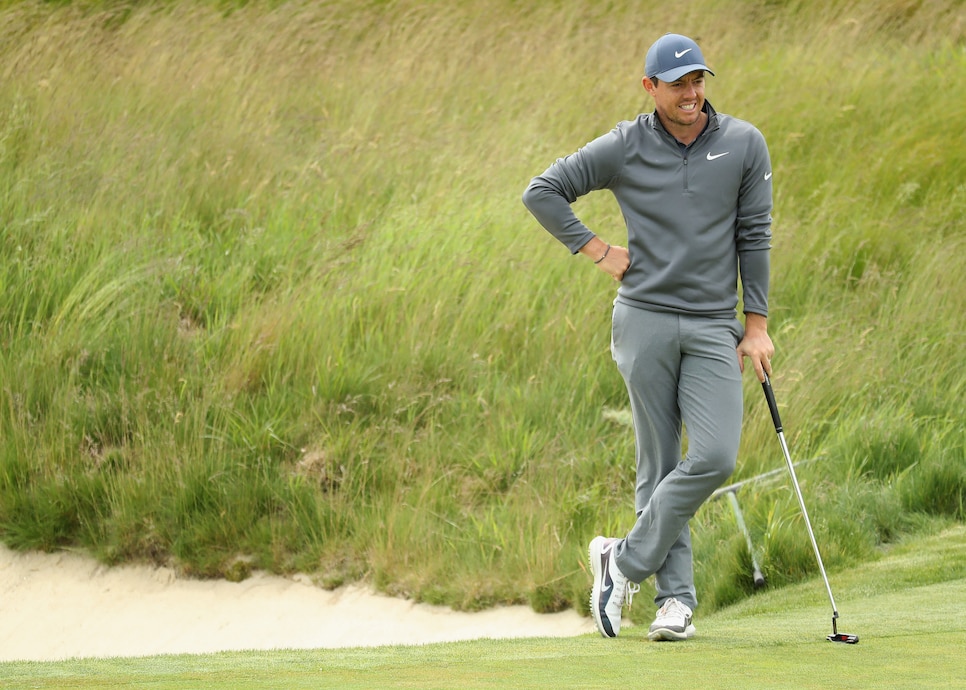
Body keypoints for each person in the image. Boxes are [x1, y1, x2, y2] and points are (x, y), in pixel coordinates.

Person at [522, 33, 775, 641]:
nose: (692, 94)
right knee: (658, 460)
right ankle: (675, 603)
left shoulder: (743, 143)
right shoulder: (624, 145)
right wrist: (599, 250)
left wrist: (757, 324)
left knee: (714, 456)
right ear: (650, 87)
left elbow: (756, 234)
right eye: (679, 84)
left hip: (715, 323)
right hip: (645, 319)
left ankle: (623, 562)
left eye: (699, 82)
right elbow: (542, 192)